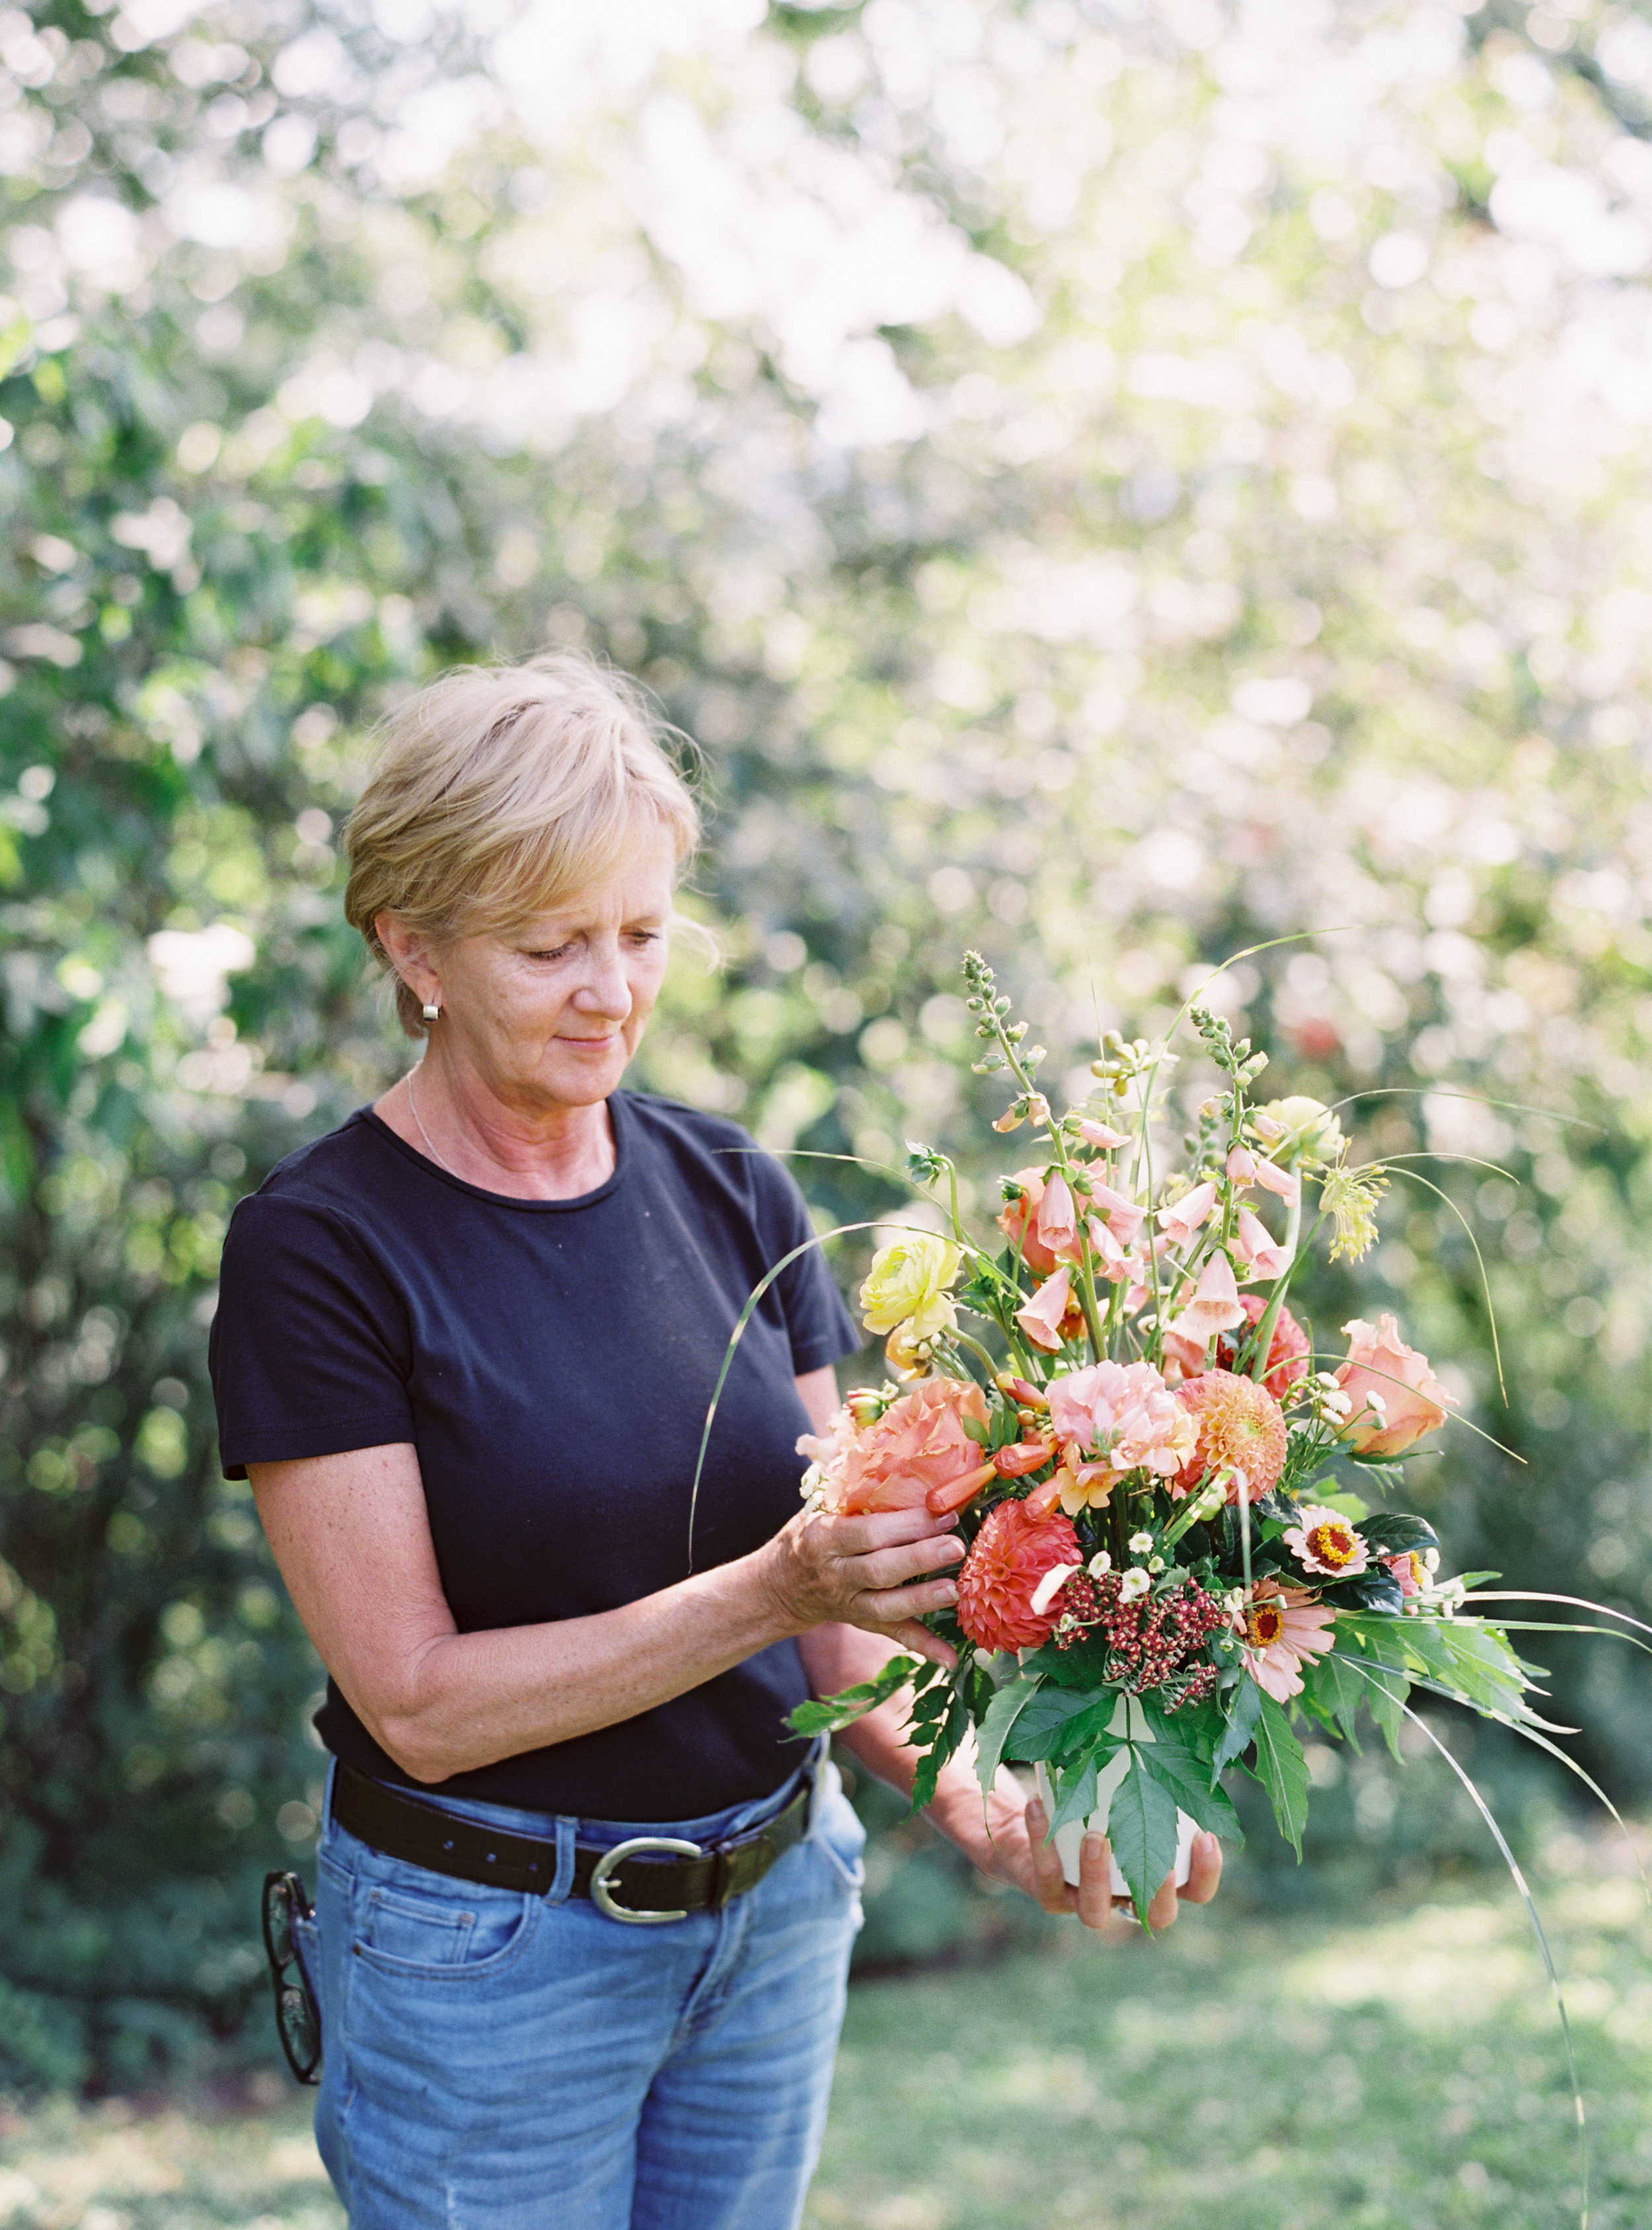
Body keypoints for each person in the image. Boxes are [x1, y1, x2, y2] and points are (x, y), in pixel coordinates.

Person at [209, 651, 1221, 2230]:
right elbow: (416, 1702)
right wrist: (772, 1588)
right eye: (548, 945)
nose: (610, 988)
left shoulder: (728, 1185)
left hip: (770, 1913)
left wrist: (990, 1808)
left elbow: (851, 1622)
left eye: (639, 932)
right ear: (411, 946)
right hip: (489, 1955)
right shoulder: (321, 1247)